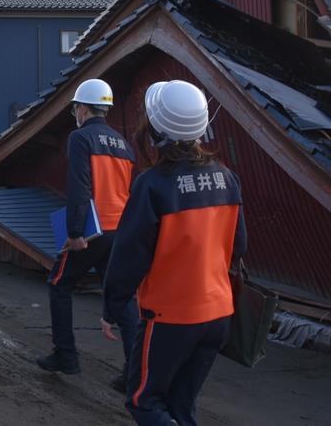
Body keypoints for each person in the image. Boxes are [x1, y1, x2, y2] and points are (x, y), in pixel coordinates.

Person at [102, 80, 246, 426]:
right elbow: (237, 248)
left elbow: (129, 255)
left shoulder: (152, 185)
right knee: (182, 406)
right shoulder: (227, 179)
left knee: (145, 402)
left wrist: (111, 307)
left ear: (154, 131)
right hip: (218, 314)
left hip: (170, 317)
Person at [37, 78, 139, 389]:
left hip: (93, 231)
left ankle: (65, 355)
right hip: (120, 230)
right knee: (122, 297)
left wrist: (75, 231)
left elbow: (80, 186)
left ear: (82, 109)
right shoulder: (125, 144)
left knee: (59, 284)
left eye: (76, 109)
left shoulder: (80, 138)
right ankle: (135, 374)